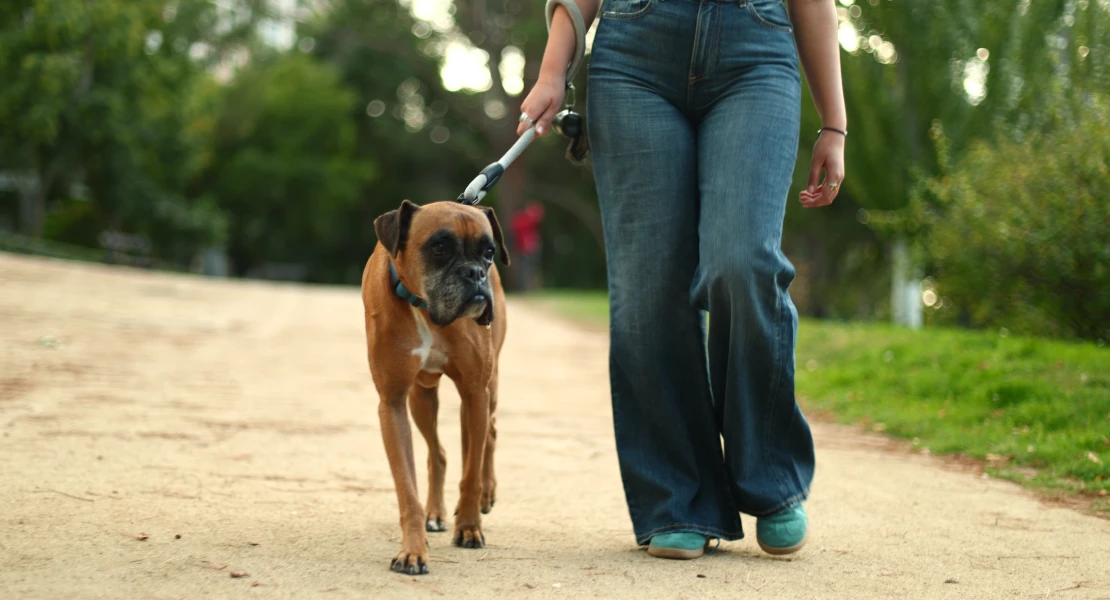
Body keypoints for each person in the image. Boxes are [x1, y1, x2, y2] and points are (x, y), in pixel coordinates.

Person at [518, 0, 846, 559]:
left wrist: (833, 124)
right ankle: (678, 497)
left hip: (757, 52)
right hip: (633, 57)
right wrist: (552, 72)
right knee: (649, 290)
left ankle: (768, 475)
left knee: (741, 262)